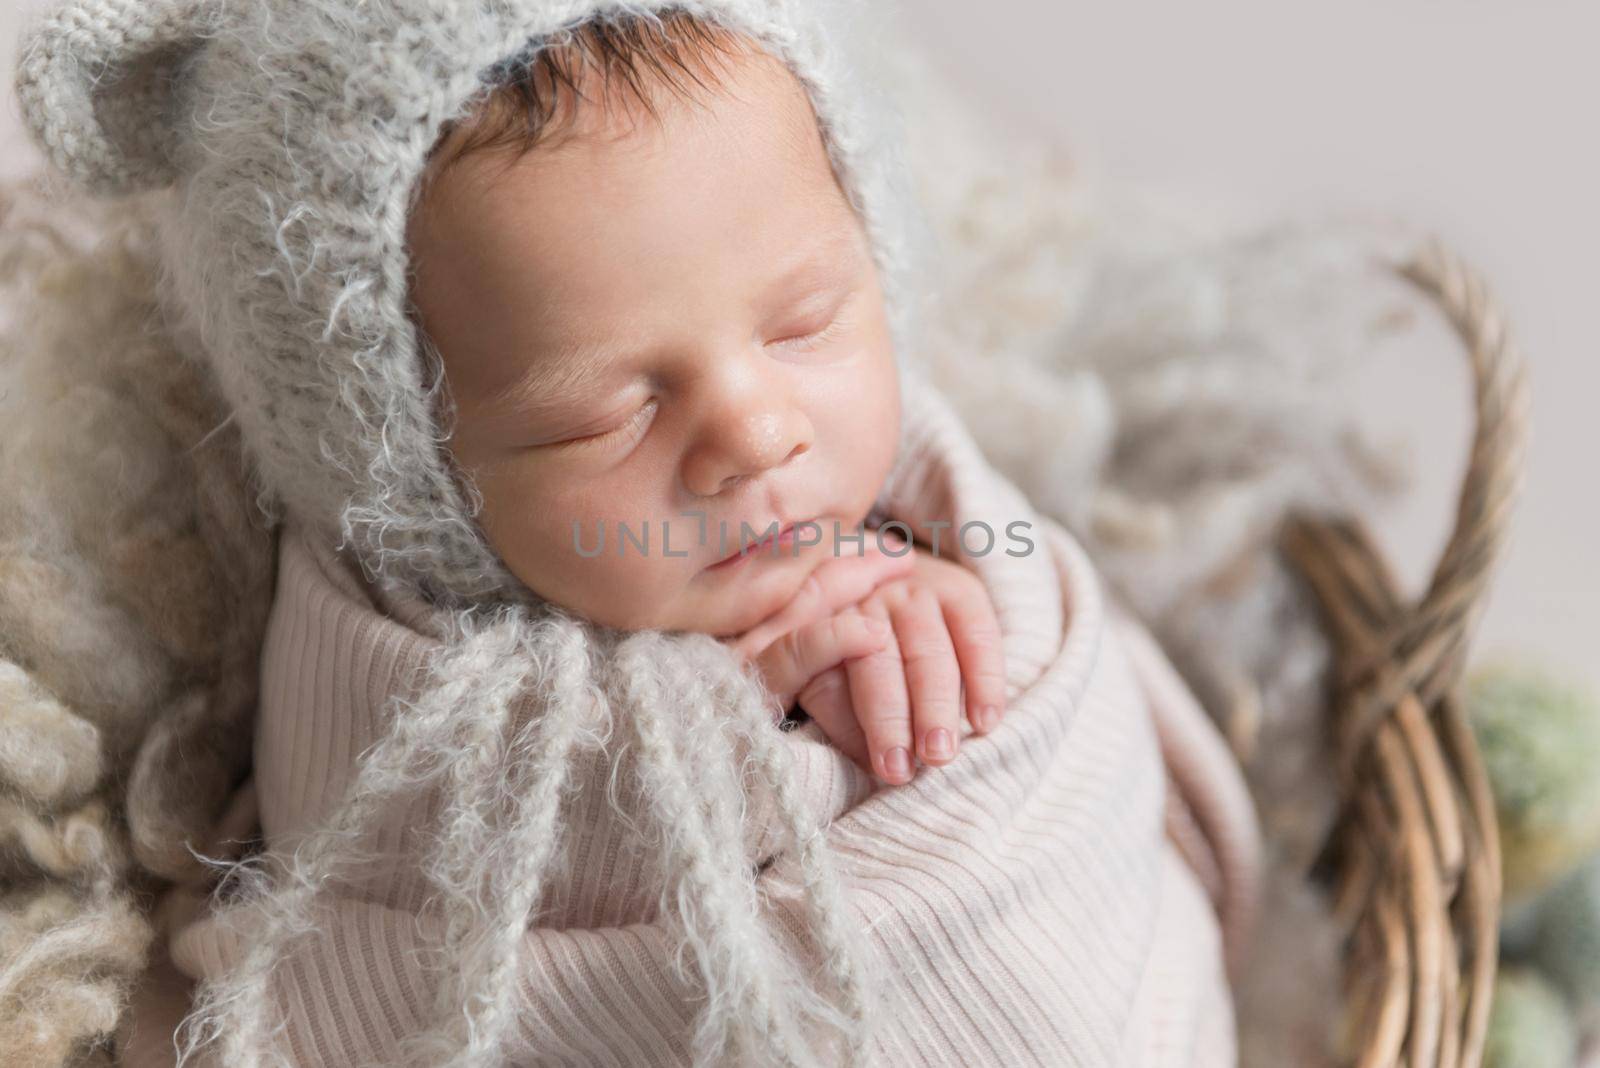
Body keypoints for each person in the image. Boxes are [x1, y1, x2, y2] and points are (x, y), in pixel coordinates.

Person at [13, 2, 1263, 1065]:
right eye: (605, 413)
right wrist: (725, 706)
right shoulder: (392, 656)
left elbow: (1066, 779)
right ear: (404, 468)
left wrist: (942, 594)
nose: (755, 431)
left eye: (805, 322)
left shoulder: (934, 497)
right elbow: (404, 908)